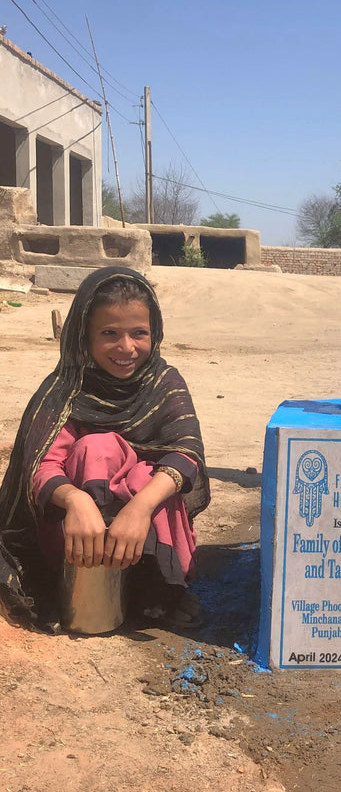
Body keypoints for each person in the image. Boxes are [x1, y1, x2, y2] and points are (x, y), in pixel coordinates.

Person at [0, 266, 209, 630]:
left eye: (138, 333)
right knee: (96, 448)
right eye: (109, 333)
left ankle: (155, 593)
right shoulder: (64, 389)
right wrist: (76, 500)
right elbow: (41, 465)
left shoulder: (164, 382)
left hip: (147, 527)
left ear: (154, 333)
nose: (126, 348)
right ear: (84, 336)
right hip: (75, 541)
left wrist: (140, 509)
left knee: (154, 476)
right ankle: (87, 592)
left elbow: (186, 451)